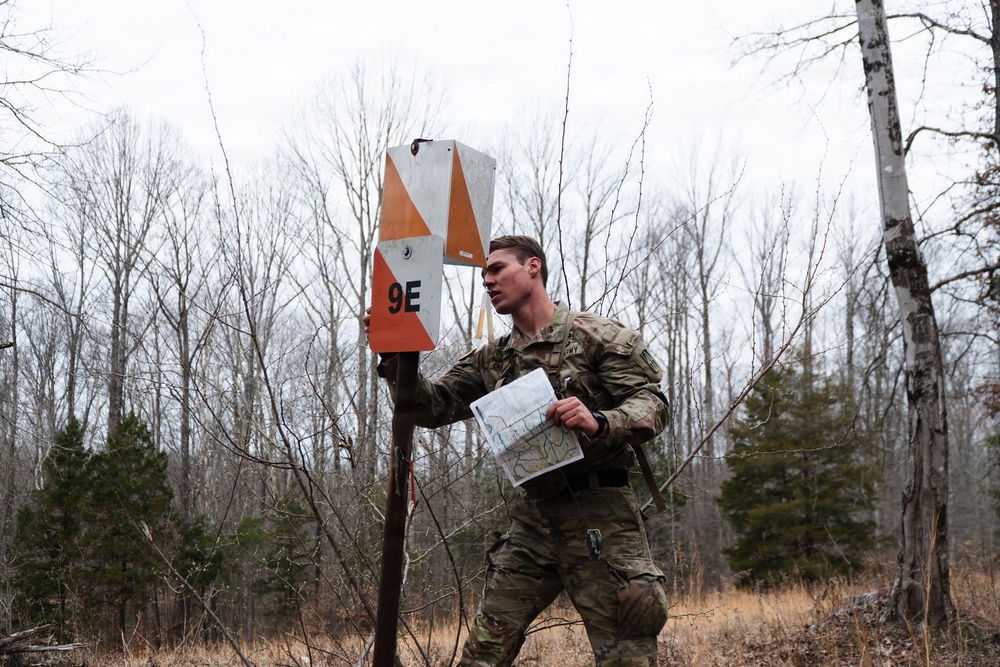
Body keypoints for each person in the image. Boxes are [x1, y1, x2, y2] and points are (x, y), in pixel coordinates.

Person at [365, 235, 670, 666]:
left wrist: (600, 421)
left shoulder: (597, 336)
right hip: (534, 520)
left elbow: (651, 403)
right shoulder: (492, 359)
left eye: (497, 269)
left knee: (626, 654)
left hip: (602, 517)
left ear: (533, 267)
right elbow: (429, 407)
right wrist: (394, 355)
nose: (487, 281)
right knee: (484, 654)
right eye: (484, 273)